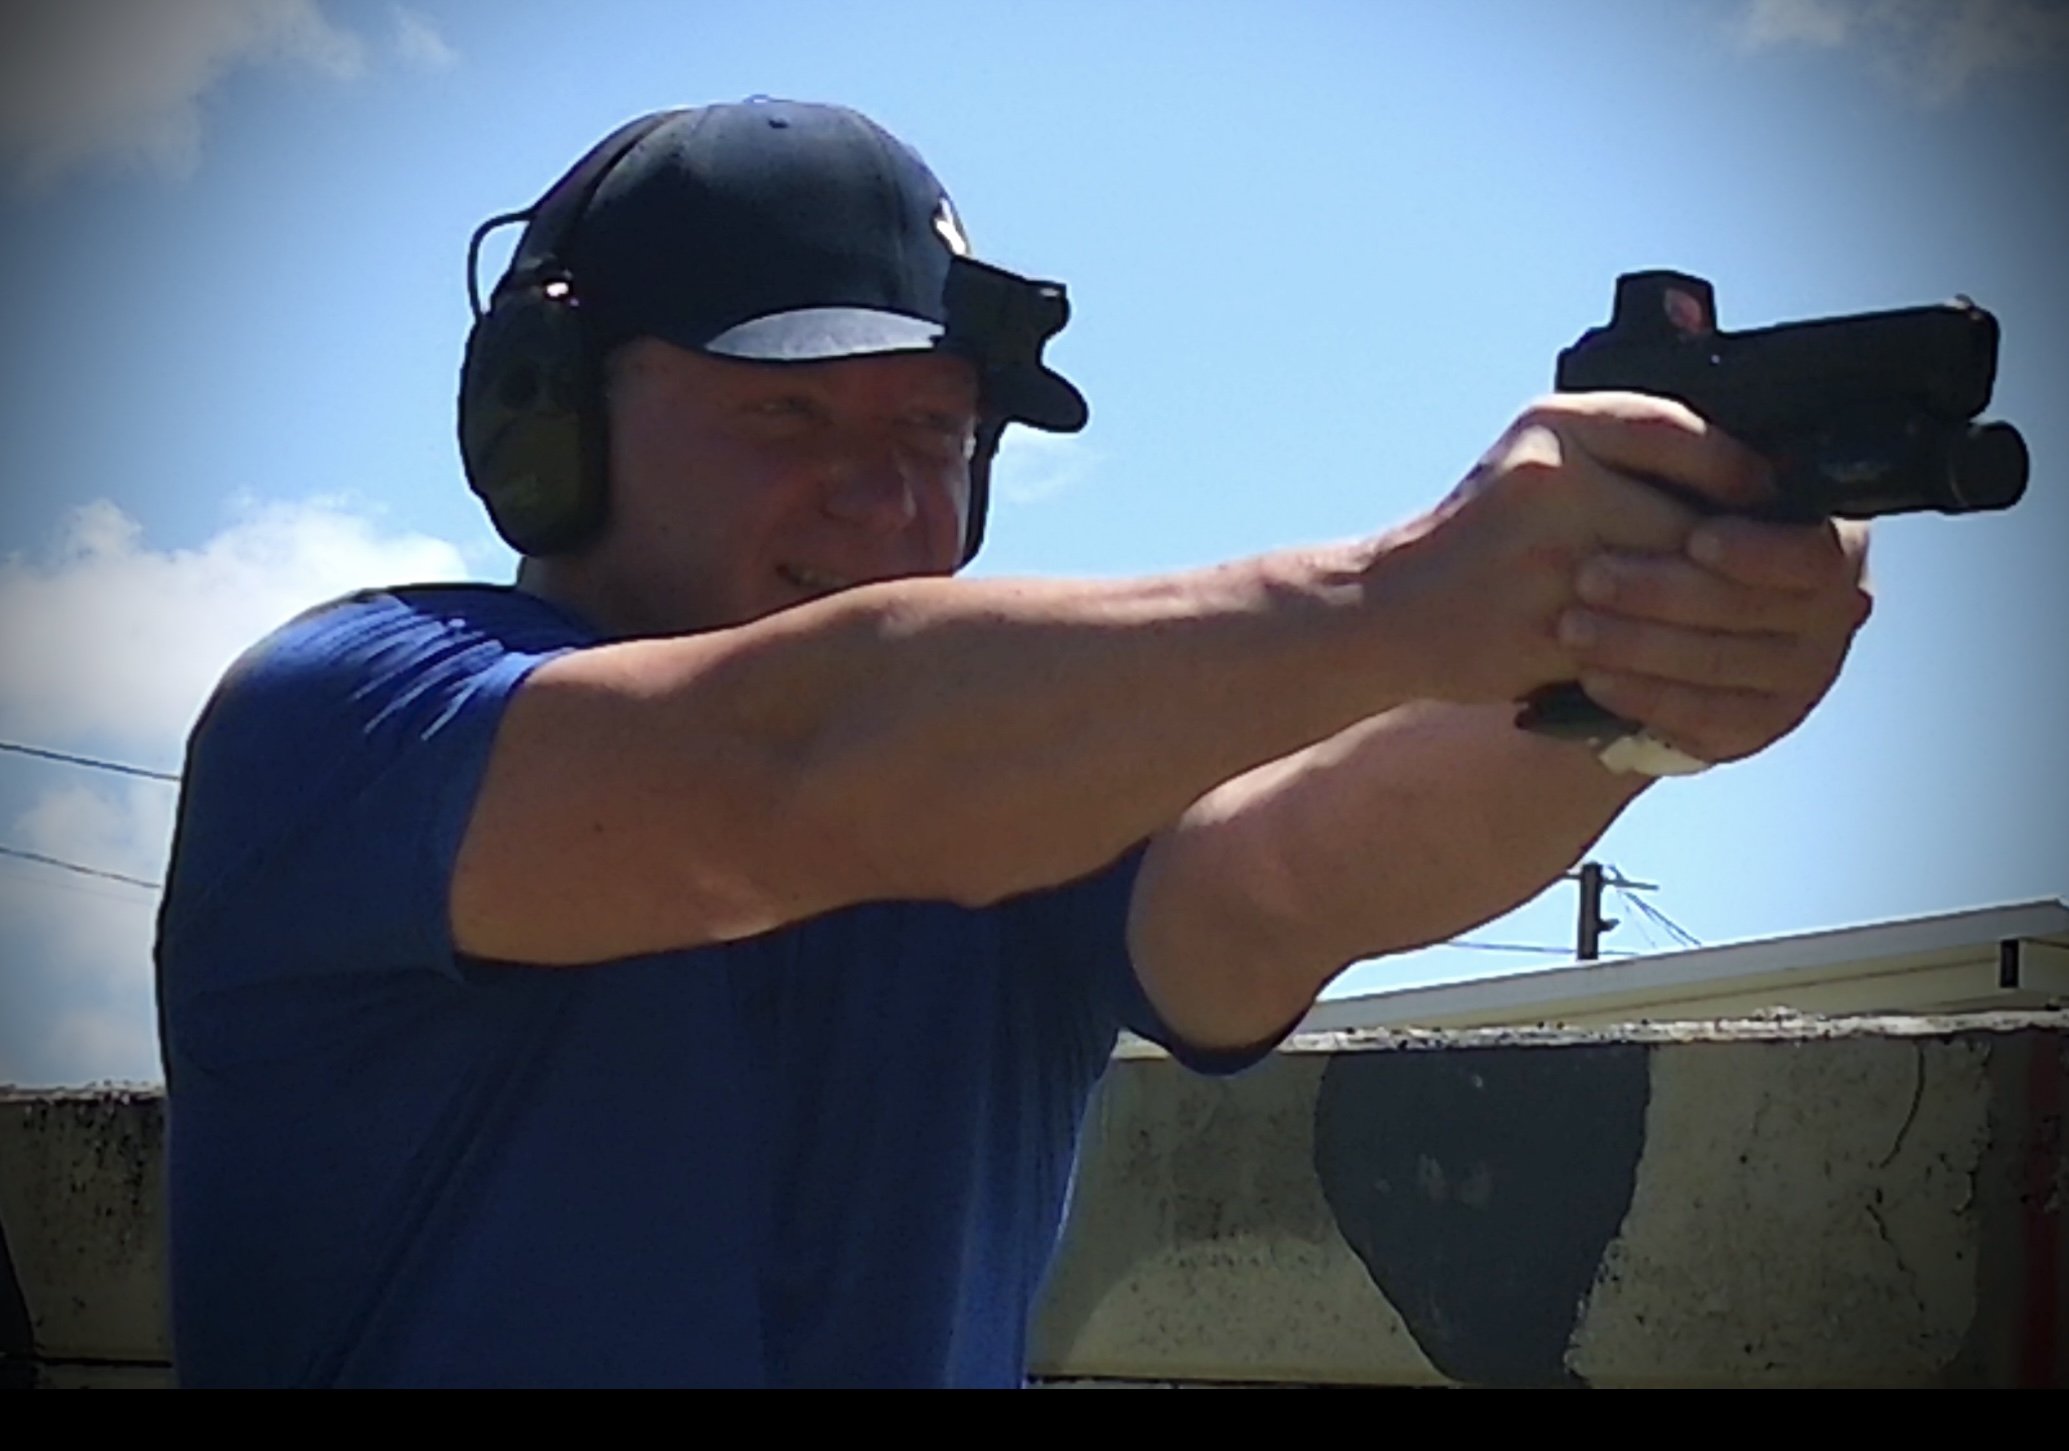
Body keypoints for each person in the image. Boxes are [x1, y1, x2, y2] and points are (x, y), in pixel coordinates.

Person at [154, 99, 1871, 1387]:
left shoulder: (1016, 787)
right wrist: (1400, 598)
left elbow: (1296, 870)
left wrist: (1630, 678)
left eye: (933, 431)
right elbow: (784, 777)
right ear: (545, 423)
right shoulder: (350, 718)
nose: (883, 497)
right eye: (784, 414)